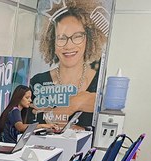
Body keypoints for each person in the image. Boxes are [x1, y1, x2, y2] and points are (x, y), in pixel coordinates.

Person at [30, 0, 108, 129]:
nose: (69, 46)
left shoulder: (100, 83)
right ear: (52, 42)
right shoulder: (38, 82)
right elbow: (29, 127)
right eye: (61, 38)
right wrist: (76, 103)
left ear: (89, 39)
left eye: (77, 36)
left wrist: (51, 116)